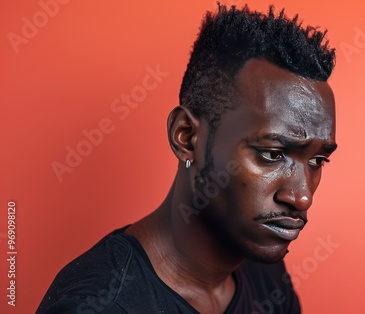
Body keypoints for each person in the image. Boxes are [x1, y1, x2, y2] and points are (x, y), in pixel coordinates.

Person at [37, 3, 337, 313]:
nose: (301, 197)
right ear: (186, 137)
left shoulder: (265, 273)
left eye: (317, 161)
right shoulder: (100, 305)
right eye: (272, 154)